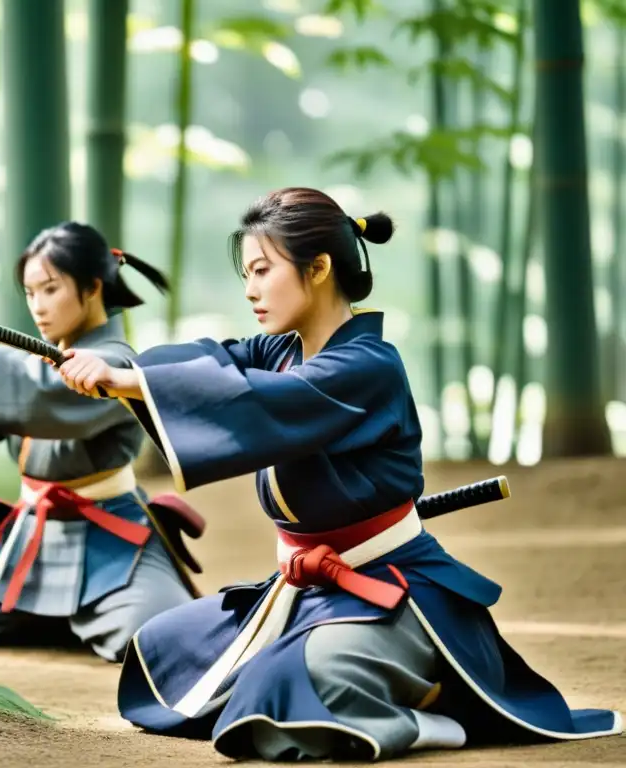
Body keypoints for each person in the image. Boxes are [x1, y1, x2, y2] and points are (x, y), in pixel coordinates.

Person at [55, 188, 622, 760]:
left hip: (394, 593)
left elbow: (264, 399)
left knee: (293, 684)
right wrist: (122, 366)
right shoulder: (278, 350)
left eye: (262, 270)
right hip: (309, 591)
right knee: (162, 649)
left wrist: (132, 383)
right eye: (246, 273)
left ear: (319, 267)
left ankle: (436, 722)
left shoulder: (368, 366)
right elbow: (213, 360)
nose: (249, 289)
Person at [0, 221, 205, 663]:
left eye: (50, 289)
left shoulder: (115, 363)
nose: (38, 306)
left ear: (92, 288)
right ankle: (69, 618)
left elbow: (45, 392)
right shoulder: (35, 361)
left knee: (156, 636)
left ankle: (77, 615)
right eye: (30, 293)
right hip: (33, 533)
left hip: (109, 531)